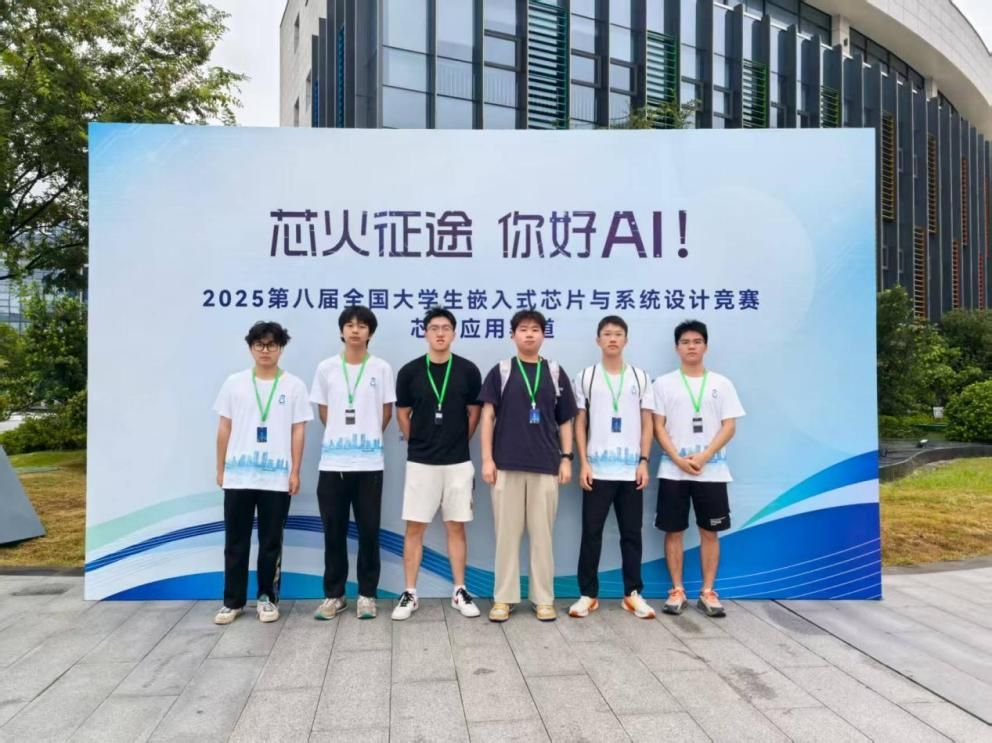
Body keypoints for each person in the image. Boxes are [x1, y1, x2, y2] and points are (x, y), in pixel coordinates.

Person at [478, 309, 577, 622]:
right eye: (523, 329)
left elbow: (565, 421)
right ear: (513, 335)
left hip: (546, 465)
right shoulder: (502, 371)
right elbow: (487, 417)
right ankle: (503, 598)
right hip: (505, 465)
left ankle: (543, 599)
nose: (529, 334)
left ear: (543, 335)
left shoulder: (555, 372)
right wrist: (487, 459)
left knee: (542, 537)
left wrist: (566, 458)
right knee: (506, 537)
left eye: (535, 329)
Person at [213, 321, 312, 625]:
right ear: (251, 348)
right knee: (236, 541)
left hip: (276, 478)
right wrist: (220, 468)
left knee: (271, 542)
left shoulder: (294, 386)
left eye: (271, 345)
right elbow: (224, 427)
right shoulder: (234, 383)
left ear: (281, 348)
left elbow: (298, 431)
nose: (265, 350)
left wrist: (295, 471)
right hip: (239, 476)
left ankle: (267, 597)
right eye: (259, 345)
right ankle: (232, 602)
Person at [392, 307, 483, 621]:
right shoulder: (410, 372)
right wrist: (418, 441)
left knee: (456, 526)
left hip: (458, 462)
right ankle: (410, 593)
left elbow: (474, 413)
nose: (440, 333)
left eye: (446, 328)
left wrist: (459, 441)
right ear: (425, 333)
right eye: (434, 328)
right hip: (421, 462)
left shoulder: (468, 370)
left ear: (454, 333)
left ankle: (459, 590)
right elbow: (402, 414)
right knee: (414, 527)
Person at [652, 319, 745, 618]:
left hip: (712, 471)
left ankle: (707, 592)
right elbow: (657, 427)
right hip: (673, 470)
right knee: (673, 531)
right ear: (676, 348)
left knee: (710, 531)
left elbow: (729, 426)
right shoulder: (663, 384)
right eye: (685, 342)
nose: (691, 347)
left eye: (696, 342)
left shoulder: (722, 383)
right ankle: (677, 591)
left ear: (706, 346)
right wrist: (678, 459)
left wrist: (705, 455)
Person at [310, 306, 396, 620]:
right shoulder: (326, 368)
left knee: (369, 531)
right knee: (333, 531)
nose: (355, 330)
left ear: (370, 332)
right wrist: (342, 436)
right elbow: (323, 411)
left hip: (369, 464)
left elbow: (386, 412)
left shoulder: (381, 368)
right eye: (349, 325)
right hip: (333, 465)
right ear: (342, 331)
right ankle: (334, 596)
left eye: (361, 326)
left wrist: (365, 437)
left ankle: (367, 595)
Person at [569, 315, 657, 620]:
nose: (612, 339)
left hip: (631, 471)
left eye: (618, 334)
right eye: (607, 334)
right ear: (598, 340)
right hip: (597, 470)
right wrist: (583, 462)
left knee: (632, 533)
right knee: (591, 533)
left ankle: (632, 594)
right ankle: (588, 595)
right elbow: (579, 422)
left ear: (626, 340)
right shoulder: (586, 377)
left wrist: (644, 461)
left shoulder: (640, 377)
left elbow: (647, 423)